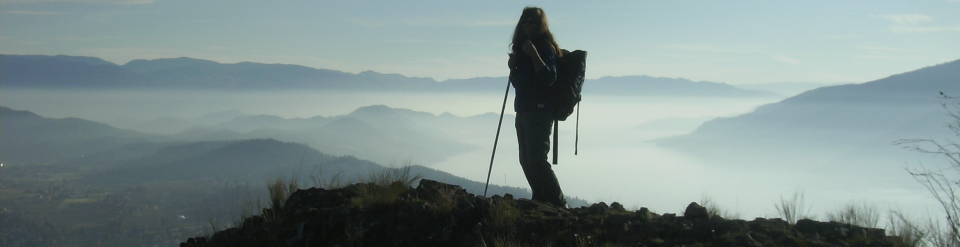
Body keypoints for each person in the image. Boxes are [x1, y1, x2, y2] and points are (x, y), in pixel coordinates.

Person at [507, 7, 566, 207]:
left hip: (539, 112)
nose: (526, 26)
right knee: (526, 160)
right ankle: (541, 198)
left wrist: (533, 55)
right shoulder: (524, 48)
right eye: (524, 22)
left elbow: (549, 78)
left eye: (531, 22)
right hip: (523, 110)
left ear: (540, 25)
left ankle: (558, 203)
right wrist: (513, 68)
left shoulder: (545, 48)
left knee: (537, 161)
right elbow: (520, 84)